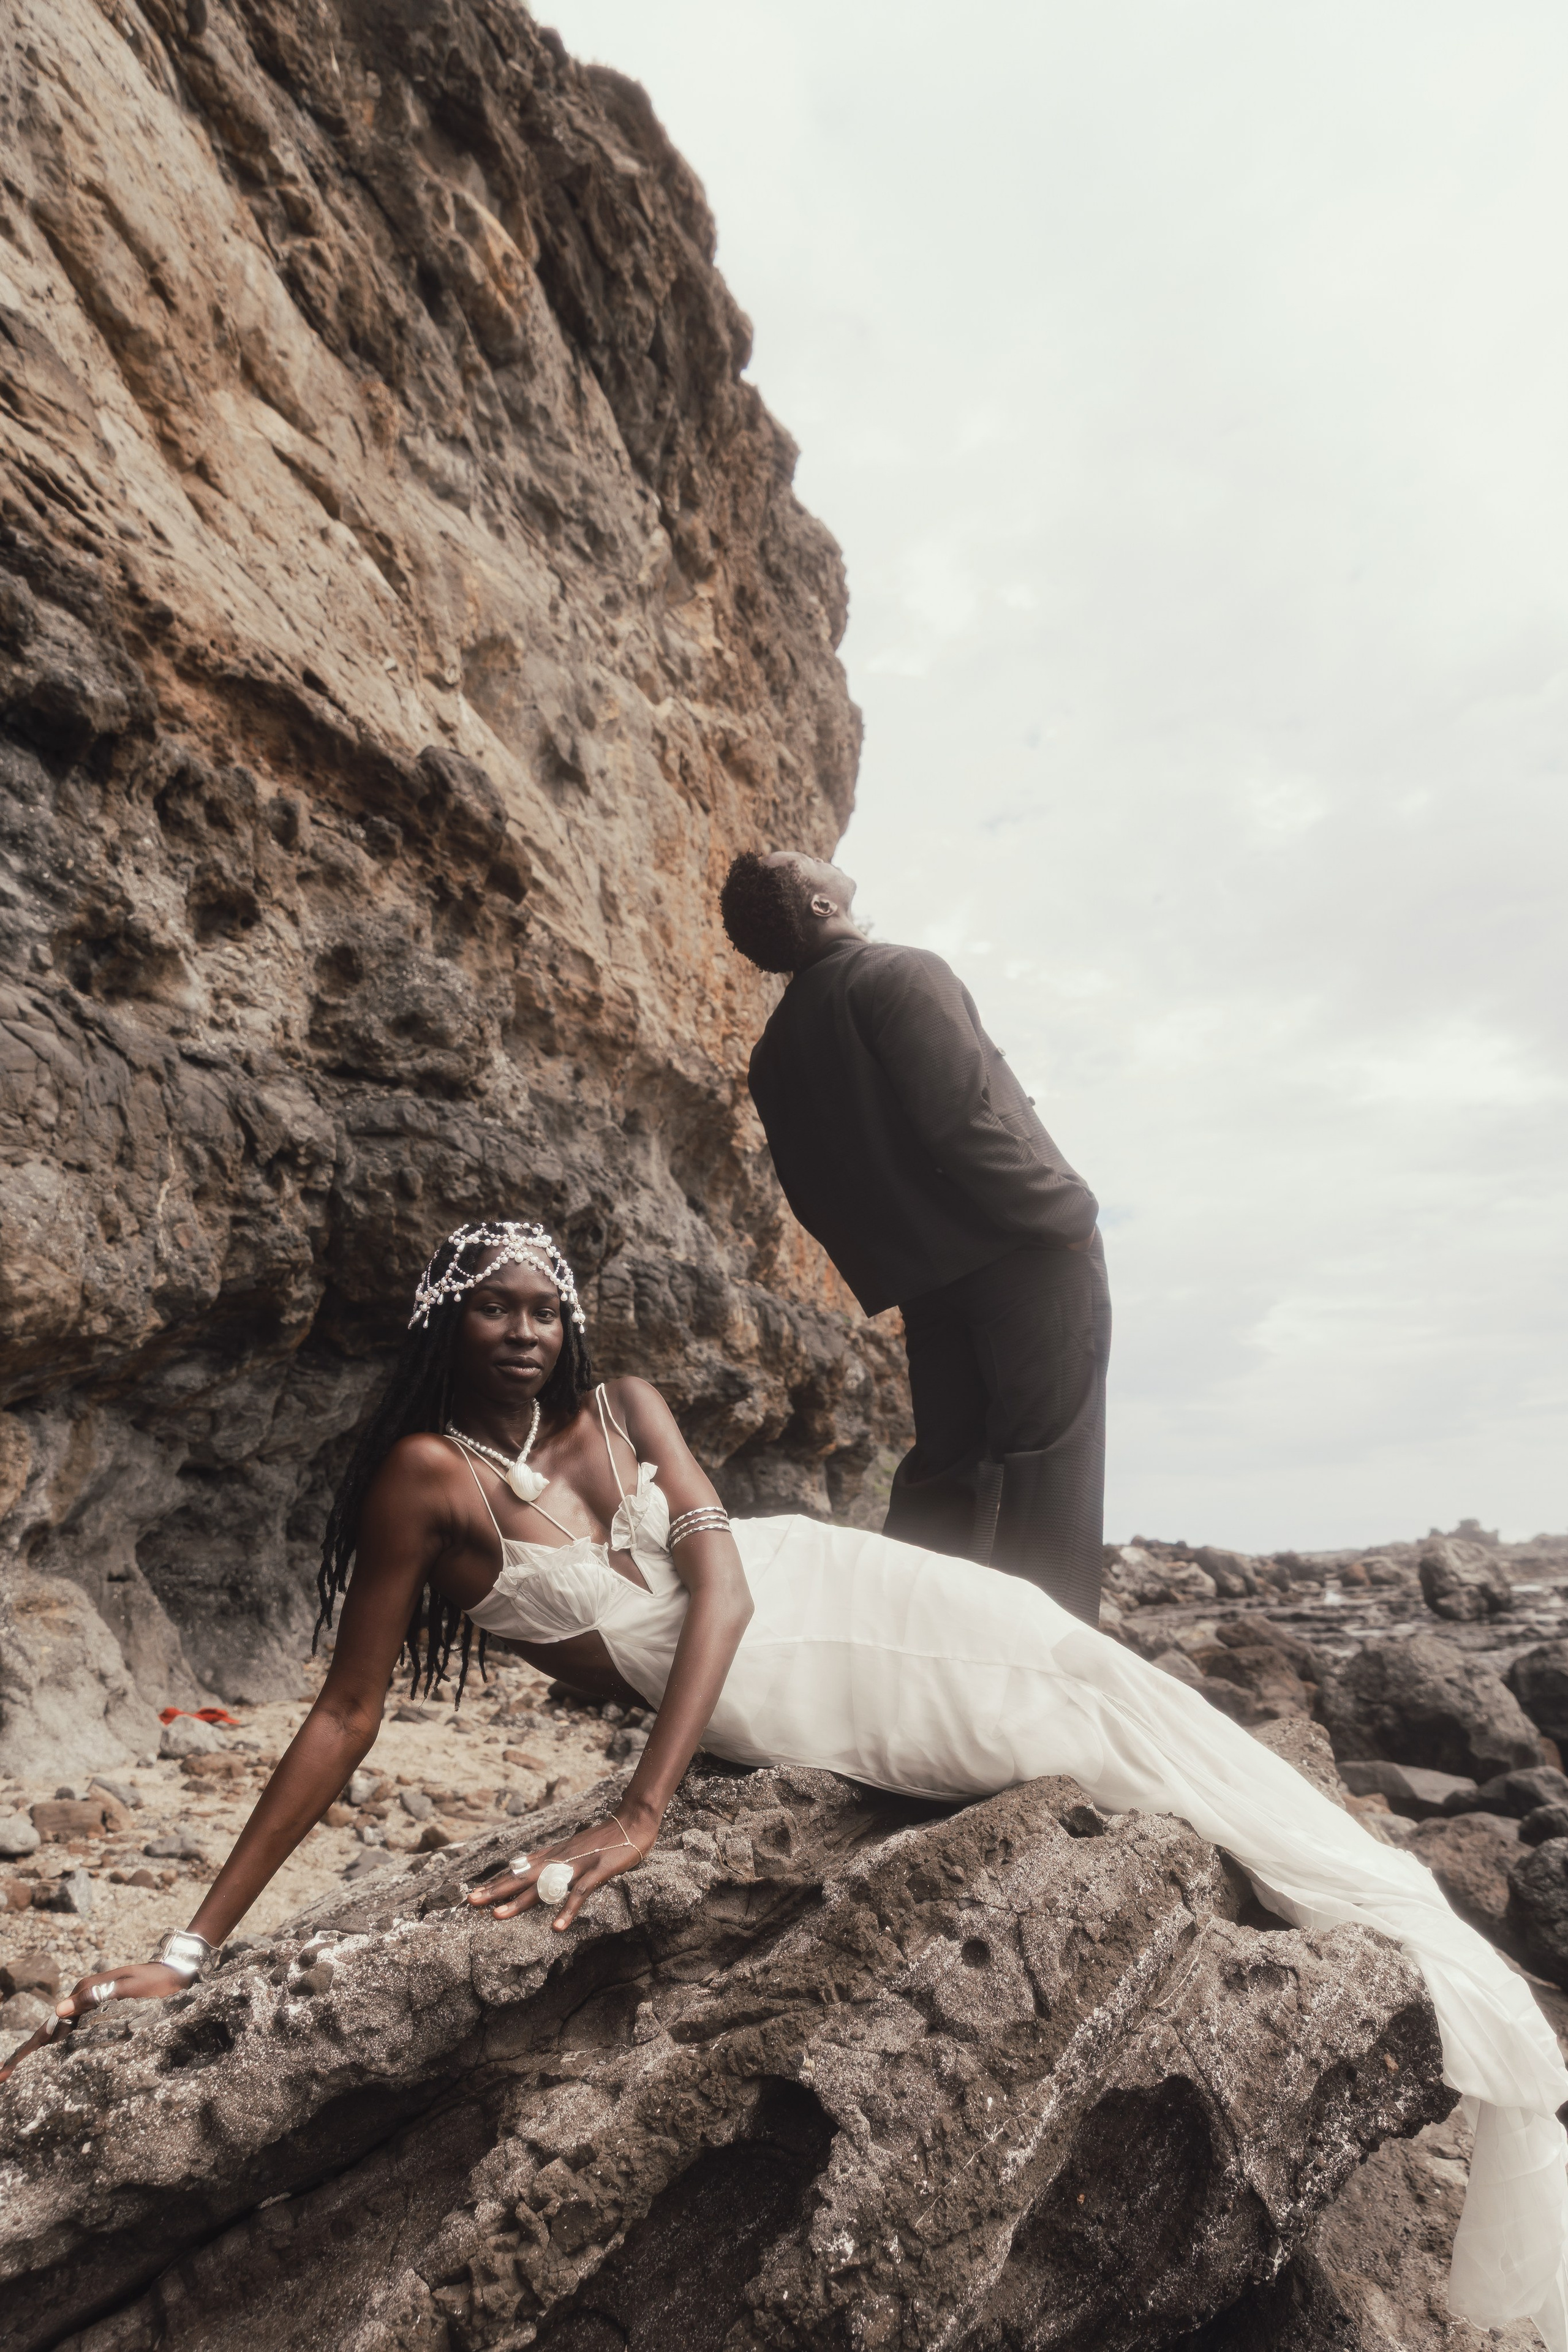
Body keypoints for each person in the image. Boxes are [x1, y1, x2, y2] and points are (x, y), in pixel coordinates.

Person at [4, 1221, 1567, 2351]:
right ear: (444, 1321)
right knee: (1095, 1729)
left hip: (815, 1603)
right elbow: (344, 1715)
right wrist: (194, 1945)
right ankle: (1424, 1945)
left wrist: (637, 1810)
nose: (533, 1328)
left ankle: (1416, 1929)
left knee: (1098, 1679)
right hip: (778, 1685)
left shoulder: (626, 1413)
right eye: (498, 1306)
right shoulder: (429, 1476)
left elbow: (731, 1589)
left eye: (552, 1304)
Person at [720, 848, 1110, 1624]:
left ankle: (910, 1646)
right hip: (1025, 1252)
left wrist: (900, 1266)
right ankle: (1060, 1667)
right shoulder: (901, 974)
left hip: (930, 1286)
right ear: (820, 905)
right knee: (1050, 1456)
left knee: (946, 1468)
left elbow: (811, 1191)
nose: (819, 853)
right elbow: (963, 1121)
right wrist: (1066, 1212)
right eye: (804, 860)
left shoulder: (773, 1054)